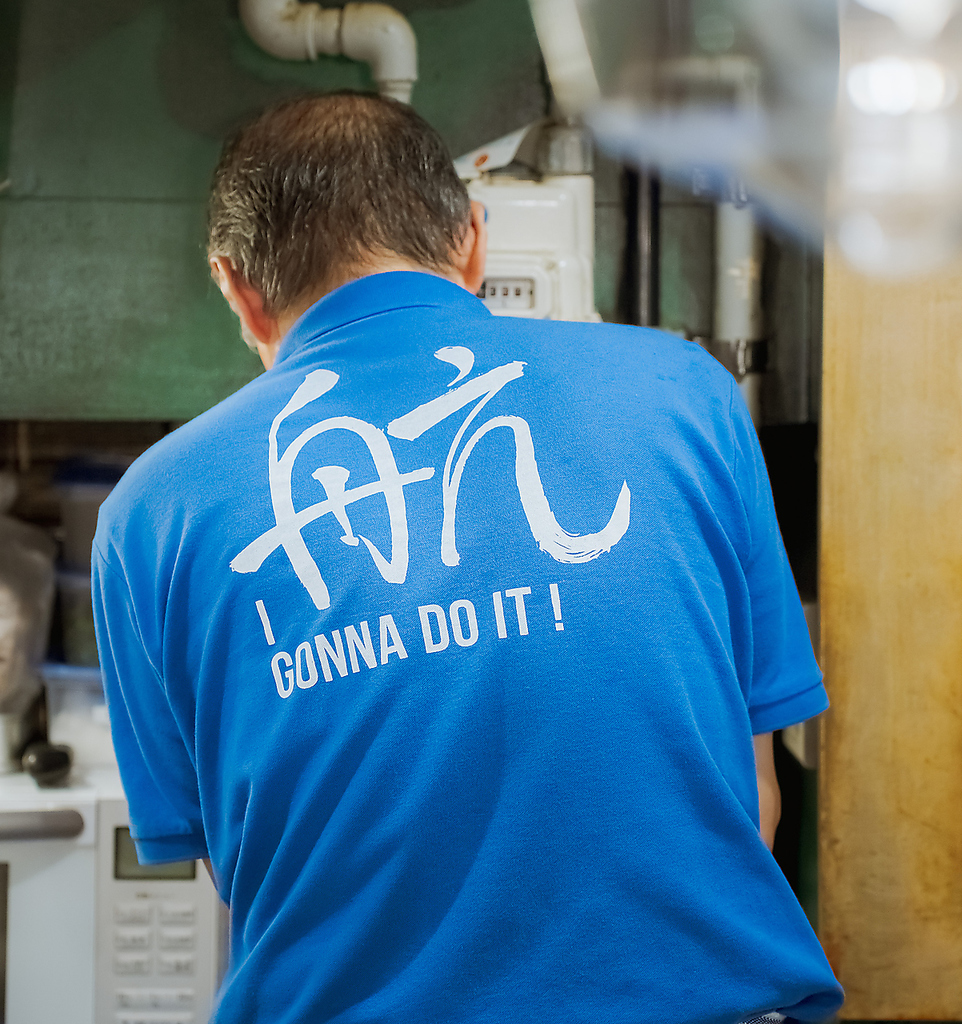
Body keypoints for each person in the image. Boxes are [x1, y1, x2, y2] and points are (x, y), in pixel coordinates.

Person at [92, 91, 843, 1024]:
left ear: (238, 288)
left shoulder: (147, 516)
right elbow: (752, 795)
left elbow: (254, 876)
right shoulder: (688, 393)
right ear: (472, 243)